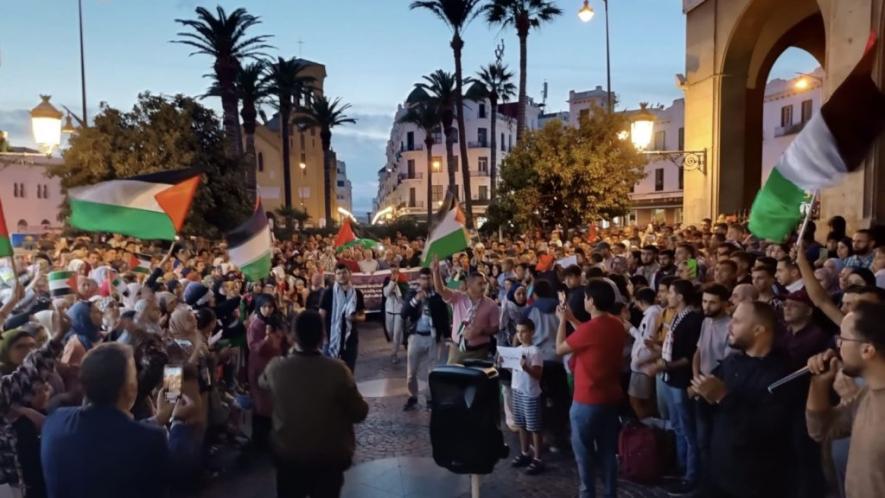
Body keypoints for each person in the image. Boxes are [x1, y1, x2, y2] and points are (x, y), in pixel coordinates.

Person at [41, 343, 198, 498]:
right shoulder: (150, 440)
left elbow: (107, 439)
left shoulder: (55, 421)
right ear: (130, 389)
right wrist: (177, 422)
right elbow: (180, 473)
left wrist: (158, 418)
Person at [690, 302, 797, 498]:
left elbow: (766, 430)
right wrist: (702, 393)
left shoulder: (781, 375)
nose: (730, 325)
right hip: (717, 472)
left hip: (753, 482)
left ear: (758, 330)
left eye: (737, 321)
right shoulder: (732, 362)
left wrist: (723, 397)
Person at [260, 310, 368, 498]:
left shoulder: (276, 367)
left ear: (292, 336)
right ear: (322, 336)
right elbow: (360, 412)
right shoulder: (338, 370)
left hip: (289, 455)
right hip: (328, 457)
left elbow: (263, 383)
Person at [555, 279, 625, 498]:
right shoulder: (616, 324)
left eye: (586, 297)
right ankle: (610, 493)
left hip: (587, 400)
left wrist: (561, 322)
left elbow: (559, 349)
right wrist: (572, 319)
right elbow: (588, 336)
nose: (584, 300)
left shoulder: (590, 330)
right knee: (607, 452)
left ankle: (587, 494)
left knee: (584, 454)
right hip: (610, 398)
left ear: (592, 301)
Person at [806, 302, 885, 498]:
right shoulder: (867, 394)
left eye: (842, 339)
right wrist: (819, 383)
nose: (837, 346)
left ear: (867, 350)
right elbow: (821, 429)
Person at [646, 279, 703, 495]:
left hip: (681, 380)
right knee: (678, 426)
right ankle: (681, 467)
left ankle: (691, 475)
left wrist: (664, 365)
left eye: (670, 292)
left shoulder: (693, 319)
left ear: (680, 296)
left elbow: (688, 357)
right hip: (670, 377)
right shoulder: (677, 316)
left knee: (688, 430)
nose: (667, 296)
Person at [691, 283, 732, 492]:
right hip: (701, 389)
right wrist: (696, 378)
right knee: (702, 441)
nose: (706, 306)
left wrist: (703, 385)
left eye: (712, 302)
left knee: (717, 442)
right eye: (704, 301)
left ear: (725, 303)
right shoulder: (705, 321)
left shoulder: (730, 327)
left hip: (718, 392)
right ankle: (704, 483)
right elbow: (698, 352)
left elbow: (726, 364)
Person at [431, 257, 499, 364]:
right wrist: (436, 272)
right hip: (457, 351)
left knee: (476, 380)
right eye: (480, 284)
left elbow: (495, 328)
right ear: (469, 285)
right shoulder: (457, 297)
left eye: (484, 283)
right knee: (453, 380)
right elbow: (441, 289)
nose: (483, 287)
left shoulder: (491, 305)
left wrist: (481, 331)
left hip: (480, 352)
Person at [400, 268, 450, 411]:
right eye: (423, 278)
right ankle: (413, 396)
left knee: (432, 372)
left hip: (433, 337)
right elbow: (404, 313)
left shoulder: (438, 296)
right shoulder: (412, 293)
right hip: (416, 336)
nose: (426, 281)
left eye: (429, 278)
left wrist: (446, 336)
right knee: (411, 372)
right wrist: (416, 300)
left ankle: (430, 399)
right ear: (419, 280)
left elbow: (444, 317)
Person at [507, 317, 545, 475]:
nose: (520, 335)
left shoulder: (535, 351)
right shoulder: (516, 350)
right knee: (521, 424)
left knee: (534, 426)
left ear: (531, 332)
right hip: (517, 389)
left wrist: (526, 367)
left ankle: (538, 458)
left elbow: (537, 374)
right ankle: (524, 453)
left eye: (523, 332)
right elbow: (513, 370)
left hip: (530, 393)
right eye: (518, 332)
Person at [247, 294, 284, 449]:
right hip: (260, 367)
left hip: (272, 365)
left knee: (270, 402)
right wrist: (267, 339)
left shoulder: (271, 321)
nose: (268, 310)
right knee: (261, 403)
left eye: (270, 306)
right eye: (265, 307)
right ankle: (260, 440)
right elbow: (255, 346)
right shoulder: (256, 325)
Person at [319, 264, 366, 373]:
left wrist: (355, 318)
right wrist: (325, 338)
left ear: (350, 273)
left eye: (344, 272)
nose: (342, 276)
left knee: (349, 373)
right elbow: (321, 316)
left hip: (350, 340)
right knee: (331, 374)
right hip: (331, 340)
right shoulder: (328, 293)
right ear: (334, 276)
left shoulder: (357, 294)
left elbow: (363, 316)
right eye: (338, 273)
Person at [627, 287, 662, 419]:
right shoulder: (653, 313)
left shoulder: (652, 315)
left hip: (643, 366)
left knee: (637, 400)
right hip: (644, 364)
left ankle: (647, 429)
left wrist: (637, 360)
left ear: (640, 301)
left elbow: (647, 341)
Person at [382, 263, 406, 364]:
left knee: (396, 334)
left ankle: (394, 354)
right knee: (390, 332)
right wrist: (392, 282)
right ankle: (399, 342)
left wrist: (397, 286)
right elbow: (386, 294)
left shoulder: (403, 280)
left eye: (395, 267)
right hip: (389, 310)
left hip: (399, 310)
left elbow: (402, 298)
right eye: (392, 267)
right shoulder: (387, 279)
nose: (394, 269)